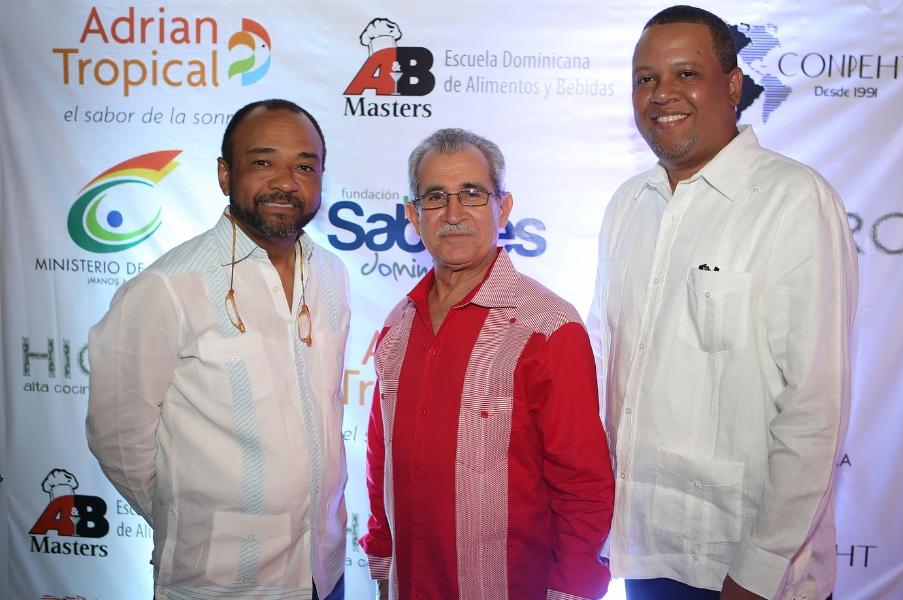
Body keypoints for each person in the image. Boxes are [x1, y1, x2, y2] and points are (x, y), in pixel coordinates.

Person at [588, 6, 858, 600]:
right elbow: (605, 361)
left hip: (744, 565)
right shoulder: (627, 204)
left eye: (686, 73)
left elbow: (815, 406)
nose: (662, 93)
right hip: (645, 548)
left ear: (733, 85)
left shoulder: (793, 200)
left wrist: (760, 569)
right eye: (646, 78)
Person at [86, 99, 350, 600]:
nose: (286, 182)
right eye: (263, 161)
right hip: (220, 583)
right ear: (225, 175)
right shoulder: (167, 288)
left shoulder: (332, 275)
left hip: (324, 571)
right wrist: (189, 520)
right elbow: (117, 440)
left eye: (304, 166)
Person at [359, 128, 614, 599]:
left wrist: (572, 591)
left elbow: (583, 487)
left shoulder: (547, 327)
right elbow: (382, 463)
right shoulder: (398, 326)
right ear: (414, 216)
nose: (454, 213)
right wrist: (382, 566)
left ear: (504, 208)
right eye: (436, 197)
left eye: (472, 193)